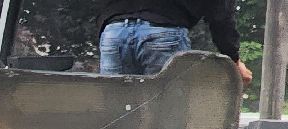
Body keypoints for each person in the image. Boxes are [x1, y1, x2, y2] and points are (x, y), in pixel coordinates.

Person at [99, 0, 253, 81]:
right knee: (168, 114)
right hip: (164, 30)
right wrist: (233, 58)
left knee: (117, 112)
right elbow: (221, 15)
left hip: (114, 32)